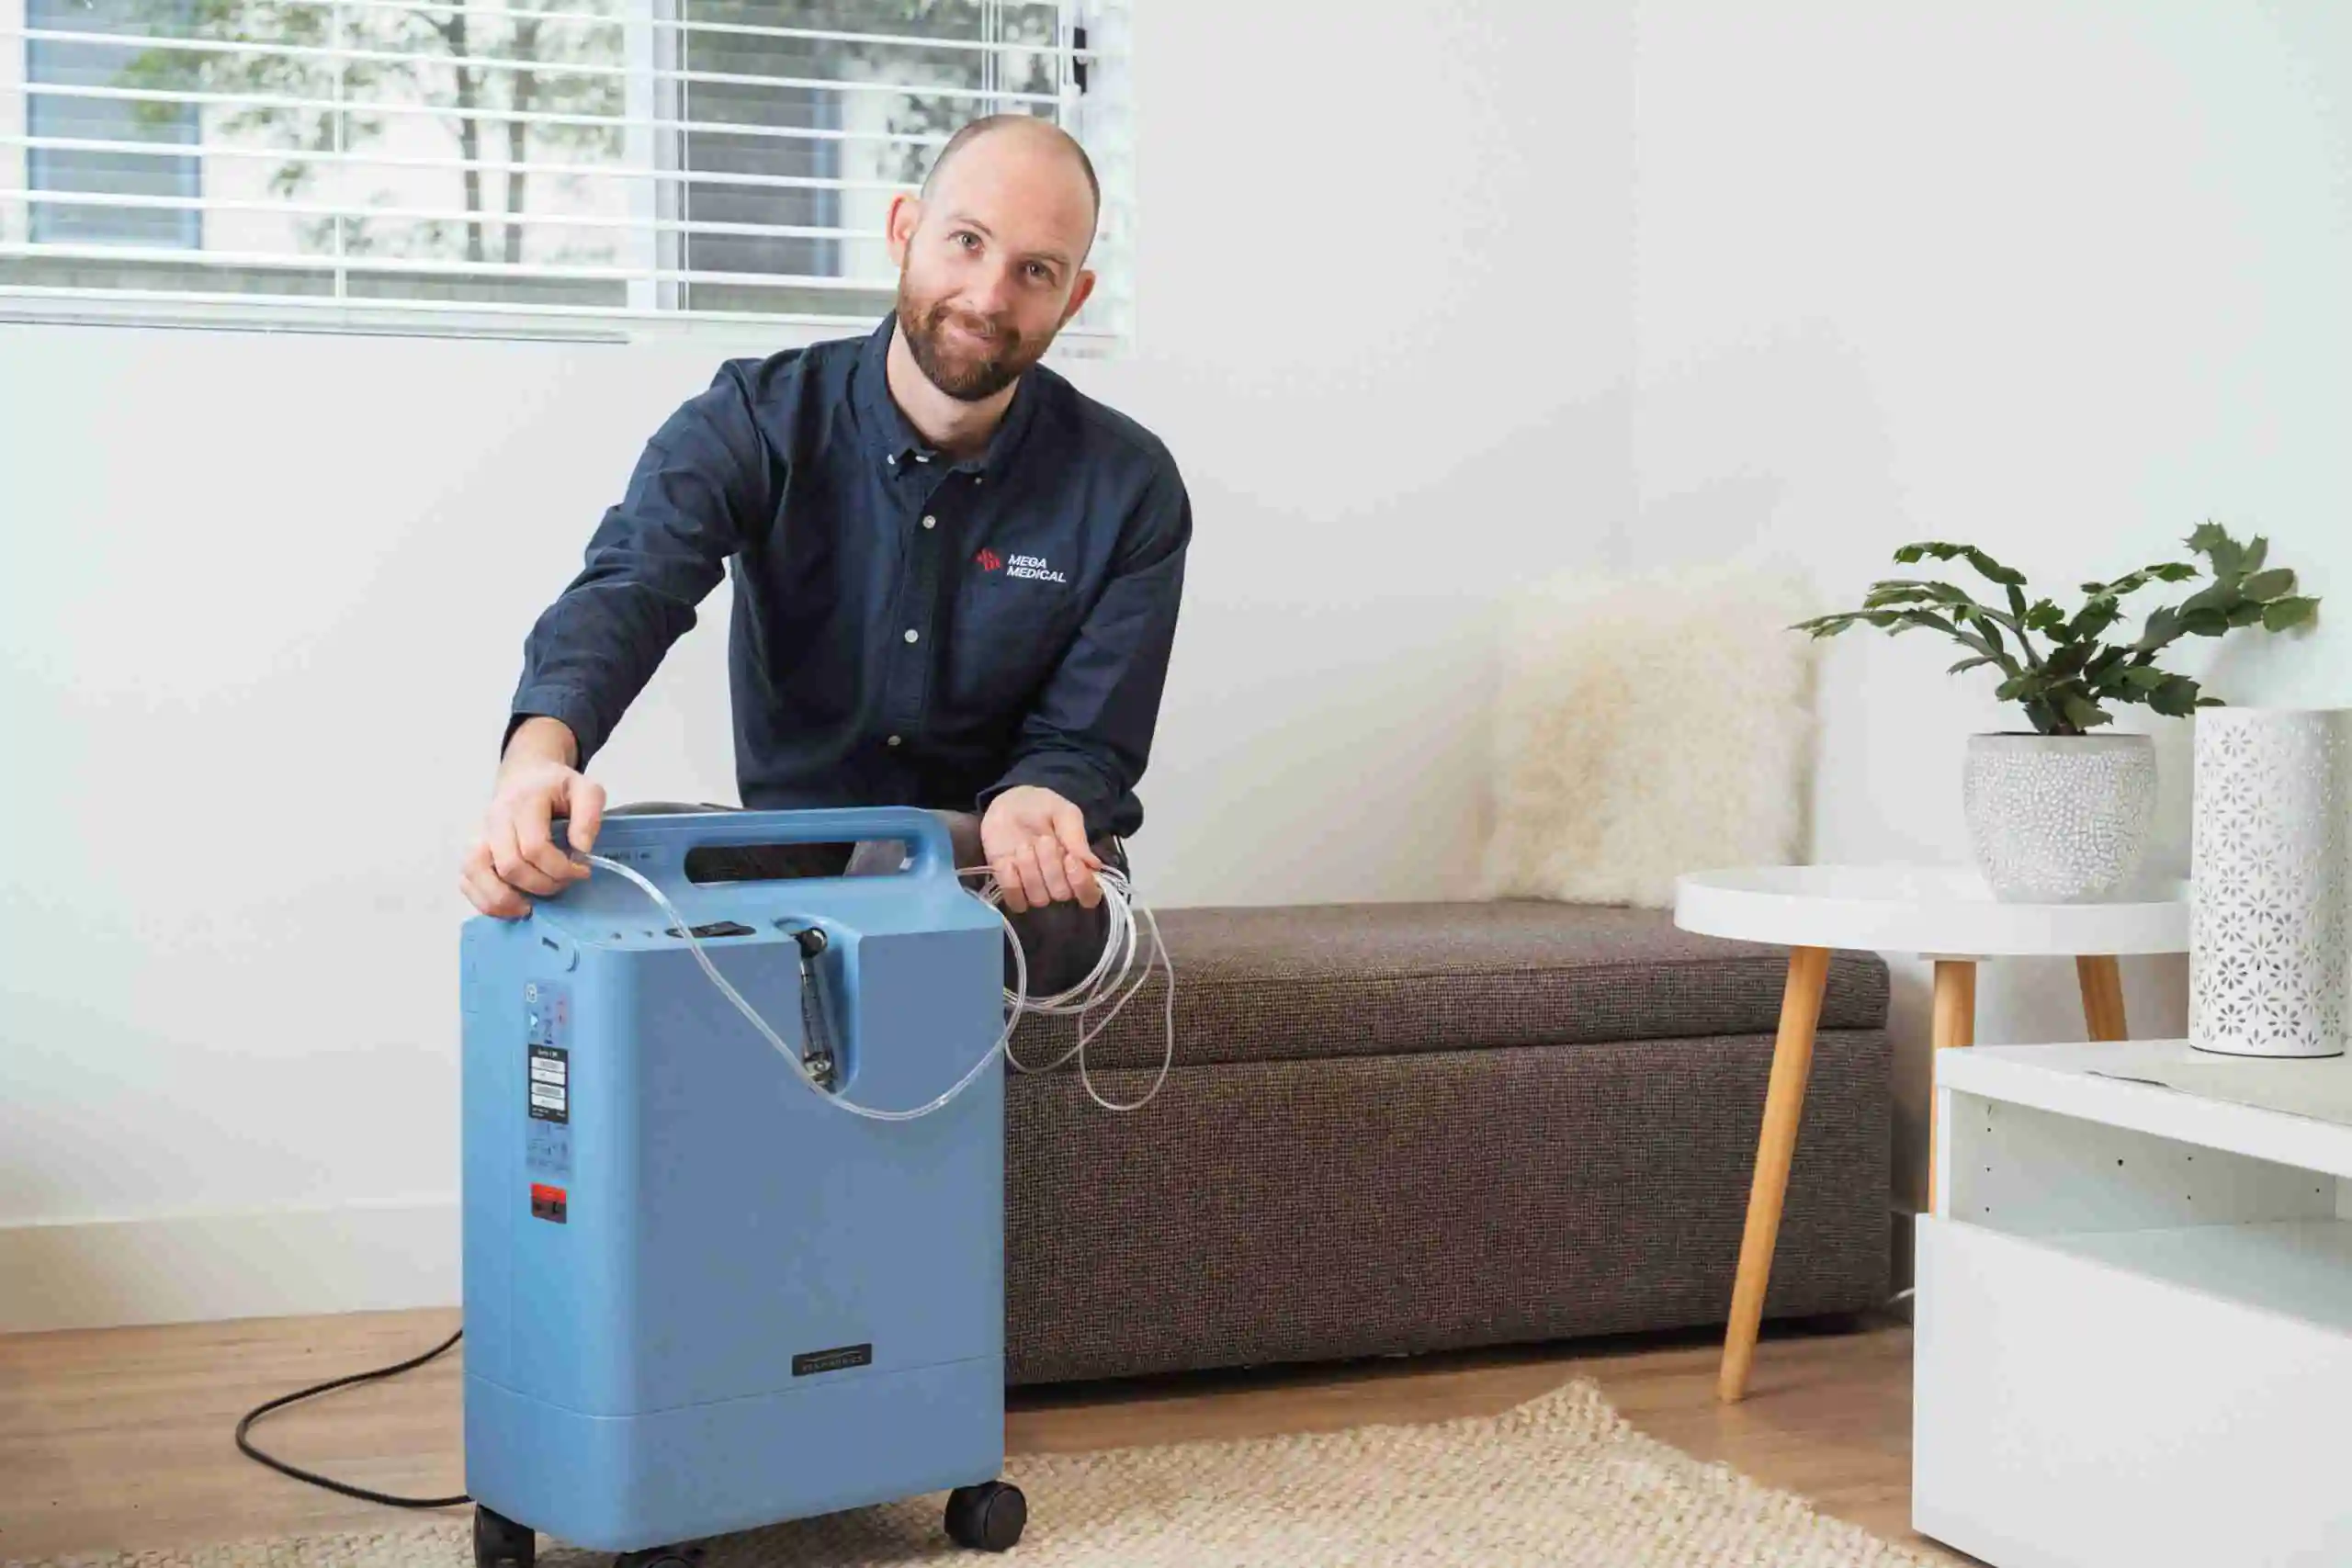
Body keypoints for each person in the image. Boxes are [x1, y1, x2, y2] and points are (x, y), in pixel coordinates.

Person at [458, 115, 1190, 991]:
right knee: (589, 874)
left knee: (1009, 896)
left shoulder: (1129, 485)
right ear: (903, 232)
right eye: (966, 242)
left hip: (1003, 881)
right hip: (792, 865)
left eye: (1036, 271)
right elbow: (630, 586)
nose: (990, 296)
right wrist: (537, 761)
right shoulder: (755, 418)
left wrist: (1039, 798)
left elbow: (1088, 742)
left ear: (1073, 298)